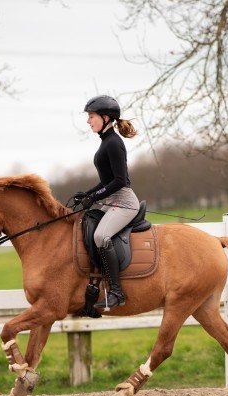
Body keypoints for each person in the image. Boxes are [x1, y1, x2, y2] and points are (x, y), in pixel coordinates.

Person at [73, 95, 140, 309]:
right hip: (111, 201)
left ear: (105, 117)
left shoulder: (114, 143)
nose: (88, 121)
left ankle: (117, 293)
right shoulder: (106, 142)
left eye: (91, 116)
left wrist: (94, 197)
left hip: (124, 202)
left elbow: (119, 181)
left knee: (101, 236)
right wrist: (87, 194)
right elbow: (106, 181)